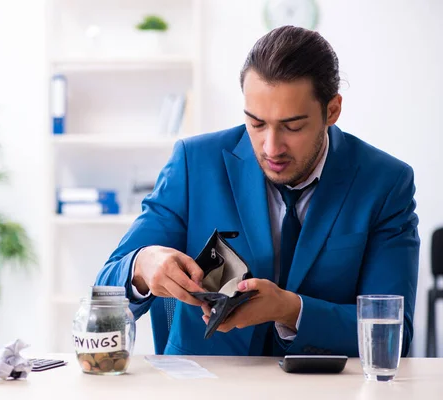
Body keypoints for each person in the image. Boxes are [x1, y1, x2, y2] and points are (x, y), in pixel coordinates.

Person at [95, 25, 419, 357]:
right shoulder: (195, 164)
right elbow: (102, 294)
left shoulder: (385, 183)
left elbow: (391, 335)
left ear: (331, 111)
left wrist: (290, 309)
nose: (271, 147)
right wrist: (142, 266)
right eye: (256, 123)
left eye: (292, 126)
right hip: (204, 385)